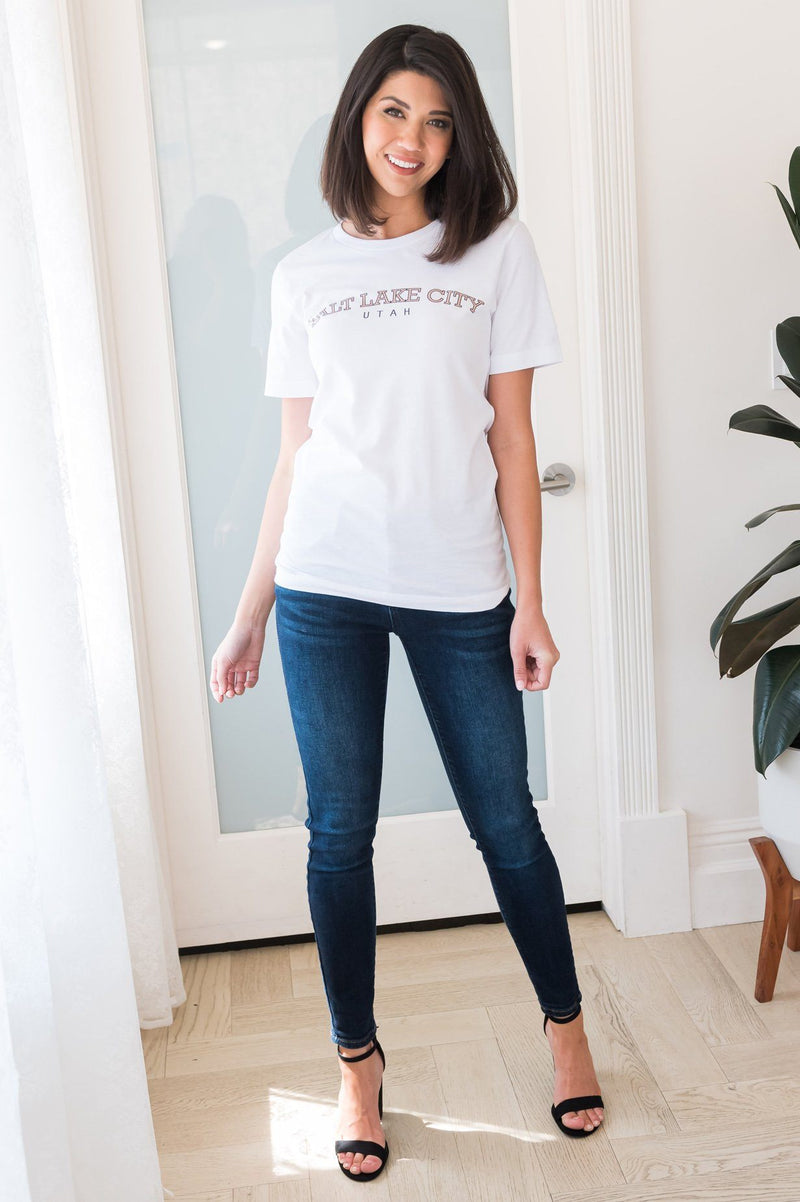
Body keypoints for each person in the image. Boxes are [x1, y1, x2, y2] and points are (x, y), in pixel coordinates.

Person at [209, 22, 605, 1184]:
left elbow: (513, 437)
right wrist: (248, 611)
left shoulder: (493, 251)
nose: (412, 138)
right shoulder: (301, 274)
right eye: (394, 111)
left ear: (457, 135)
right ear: (358, 119)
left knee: (505, 823)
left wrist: (530, 602)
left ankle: (565, 1029)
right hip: (323, 583)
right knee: (337, 834)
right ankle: (356, 1063)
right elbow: (296, 455)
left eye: (436, 120)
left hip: (458, 585)